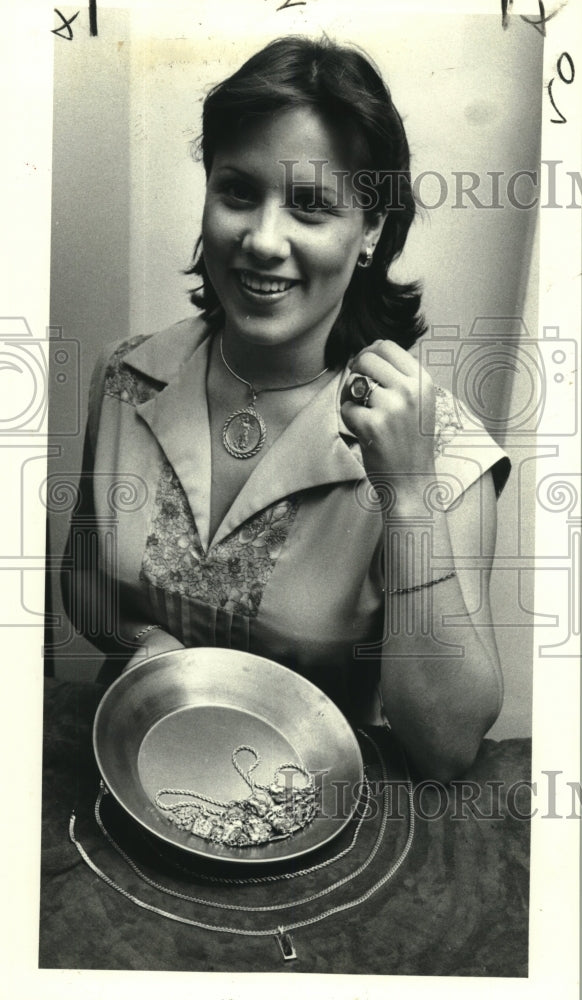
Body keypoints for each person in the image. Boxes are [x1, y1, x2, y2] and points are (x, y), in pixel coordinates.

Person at [62, 35, 510, 782]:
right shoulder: (124, 376)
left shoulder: (443, 448)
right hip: (134, 768)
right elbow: (82, 583)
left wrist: (408, 498)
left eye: (311, 206)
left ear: (370, 230)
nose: (263, 241)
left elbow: (446, 746)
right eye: (238, 191)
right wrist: (149, 646)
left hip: (316, 819)